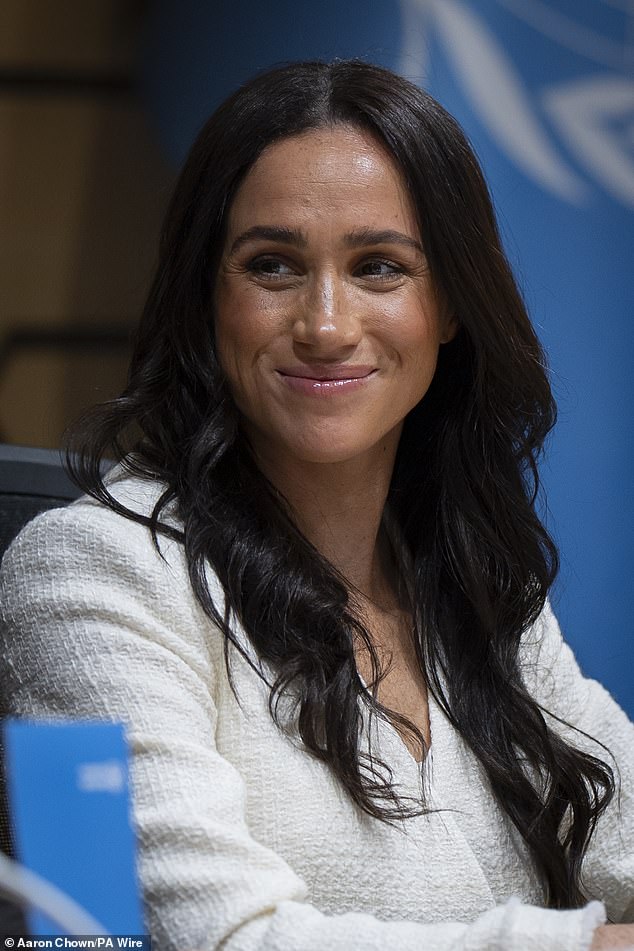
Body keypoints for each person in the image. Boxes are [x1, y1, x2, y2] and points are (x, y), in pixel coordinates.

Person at [1, 60, 632, 951]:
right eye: (273, 266)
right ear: (207, 297)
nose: (327, 324)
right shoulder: (88, 574)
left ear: (448, 306)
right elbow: (215, 939)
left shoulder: (476, 589)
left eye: (379, 266)